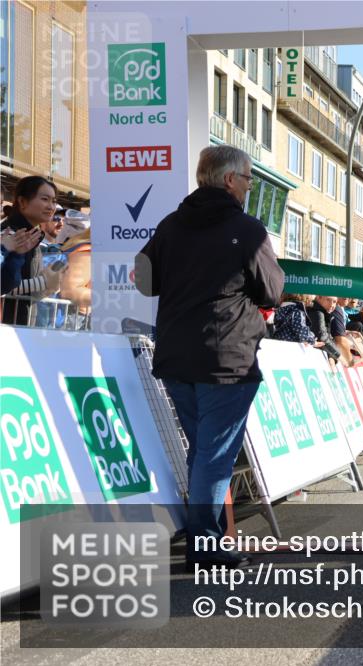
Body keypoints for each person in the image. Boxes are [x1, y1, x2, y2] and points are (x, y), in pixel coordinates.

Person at [134, 145, 284, 571]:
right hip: (227, 357)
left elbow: (144, 280)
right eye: (250, 178)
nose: (251, 185)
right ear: (229, 180)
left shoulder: (170, 224)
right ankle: (204, 543)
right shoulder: (247, 229)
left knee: (202, 449)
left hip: (177, 355)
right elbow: (272, 291)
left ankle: (208, 534)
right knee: (215, 454)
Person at [1, 176, 65, 324]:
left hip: (22, 328)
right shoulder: (8, 235)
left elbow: (28, 291)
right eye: (44, 199)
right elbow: (4, 285)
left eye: (54, 201)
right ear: (22, 202)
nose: (51, 206)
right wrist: (42, 282)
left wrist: (50, 285)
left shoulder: (31, 236)